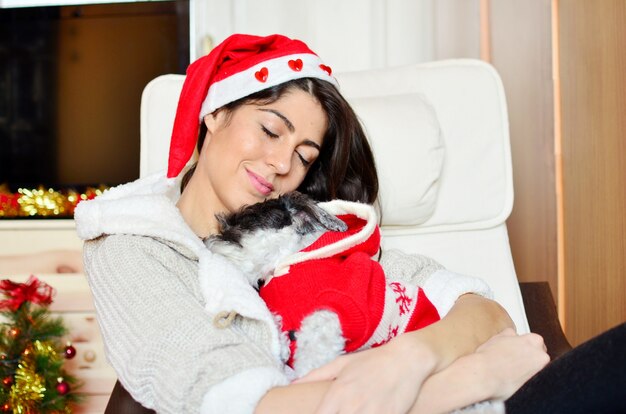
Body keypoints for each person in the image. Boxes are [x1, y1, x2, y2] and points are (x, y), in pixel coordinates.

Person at [74, 34, 549, 414]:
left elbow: (482, 312)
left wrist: (407, 358)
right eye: (270, 130)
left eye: (304, 156)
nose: (282, 163)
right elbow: (239, 404)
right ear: (216, 114)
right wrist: (474, 378)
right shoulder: (131, 246)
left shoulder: (307, 229)